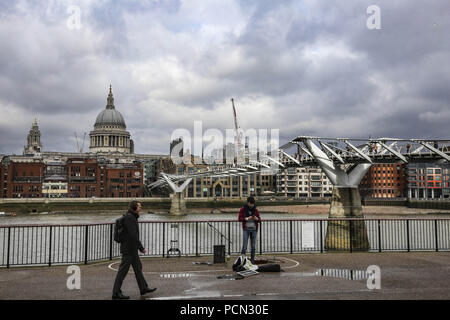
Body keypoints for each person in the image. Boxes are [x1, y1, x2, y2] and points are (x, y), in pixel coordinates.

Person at [112, 200, 157, 300]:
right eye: (139, 206)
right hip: (128, 250)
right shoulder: (130, 218)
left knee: (138, 268)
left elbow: (133, 235)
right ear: (135, 208)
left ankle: (143, 288)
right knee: (122, 271)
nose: (141, 208)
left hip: (132, 249)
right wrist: (141, 248)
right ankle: (116, 293)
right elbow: (133, 235)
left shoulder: (132, 217)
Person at [238, 196, 261, 264]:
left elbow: (259, 219)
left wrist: (256, 219)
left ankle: (252, 261)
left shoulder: (255, 210)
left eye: (253, 204)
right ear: (248, 203)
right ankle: (242, 261)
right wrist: (247, 219)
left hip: (254, 230)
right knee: (244, 246)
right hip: (246, 229)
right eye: (251, 204)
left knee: (253, 246)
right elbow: (239, 218)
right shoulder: (242, 209)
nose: (252, 205)